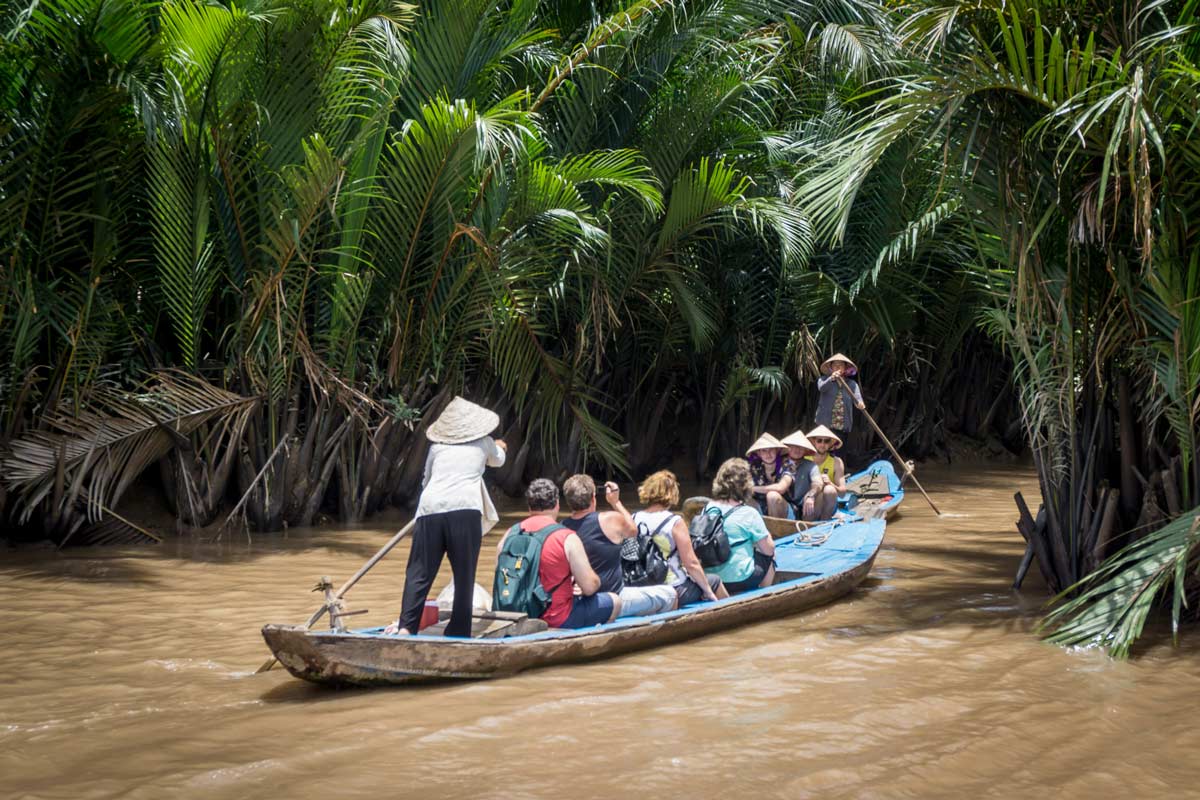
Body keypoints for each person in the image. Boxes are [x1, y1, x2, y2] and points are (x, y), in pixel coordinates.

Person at [386, 396, 507, 637]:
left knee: (418, 573)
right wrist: (500, 446)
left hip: (430, 507)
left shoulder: (436, 447)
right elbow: (498, 461)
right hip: (464, 509)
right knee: (464, 573)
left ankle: (406, 627)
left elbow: (427, 479)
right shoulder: (484, 443)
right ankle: (458, 631)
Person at [495, 478, 620, 629]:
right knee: (615, 601)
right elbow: (590, 587)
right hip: (555, 617)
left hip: (512, 614)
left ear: (529, 506)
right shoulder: (566, 537)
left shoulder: (510, 534)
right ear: (557, 504)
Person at [561, 475, 678, 617]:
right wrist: (615, 502)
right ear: (593, 497)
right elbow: (633, 531)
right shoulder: (609, 519)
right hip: (615, 598)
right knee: (671, 594)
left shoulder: (561, 528)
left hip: (582, 599)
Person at [631, 470, 728, 607]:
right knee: (714, 581)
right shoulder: (674, 521)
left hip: (641, 584)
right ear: (672, 494)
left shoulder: (634, 518)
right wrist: (708, 591)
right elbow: (691, 563)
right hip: (674, 586)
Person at [703, 458, 776, 594]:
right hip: (741, 578)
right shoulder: (749, 513)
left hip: (712, 580)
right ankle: (765, 593)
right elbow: (769, 549)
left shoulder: (708, 508)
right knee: (771, 554)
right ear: (746, 485)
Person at [814, 353, 864, 468]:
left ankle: (837, 476)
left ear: (845, 368)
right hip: (825, 425)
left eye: (840, 365)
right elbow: (821, 388)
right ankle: (819, 472)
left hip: (842, 426)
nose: (837, 367)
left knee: (839, 453)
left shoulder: (851, 384)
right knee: (823, 449)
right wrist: (832, 378)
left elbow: (858, 399)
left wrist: (860, 404)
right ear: (831, 368)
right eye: (835, 365)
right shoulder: (824, 379)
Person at [779, 430, 825, 521]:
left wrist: (810, 495)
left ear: (805, 450)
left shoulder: (811, 465)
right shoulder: (778, 464)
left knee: (822, 495)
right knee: (772, 496)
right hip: (786, 505)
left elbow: (818, 483)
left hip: (805, 505)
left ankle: (808, 529)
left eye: (801, 447)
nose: (797, 450)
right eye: (794, 446)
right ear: (788, 447)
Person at [806, 424, 846, 520]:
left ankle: (825, 521)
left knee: (829, 489)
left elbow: (843, 493)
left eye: (826, 441)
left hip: (828, 503)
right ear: (814, 442)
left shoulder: (836, 462)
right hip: (808, 499)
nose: (822, 444)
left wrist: (831, 484)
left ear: (831, 444)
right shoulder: (805, 459)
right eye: (819, 440)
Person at [746, 432, 791, 518]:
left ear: (777, 450)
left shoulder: (787, 464)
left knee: (772, 496)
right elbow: (744, 487)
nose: (768, 454)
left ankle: (776, 529)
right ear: (759, 453)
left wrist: (752, 488)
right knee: (744, 498)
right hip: (761, 508)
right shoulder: (753, 466)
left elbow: (781, 488)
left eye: (771, 449)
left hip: (784, 509)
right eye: (764, 450)